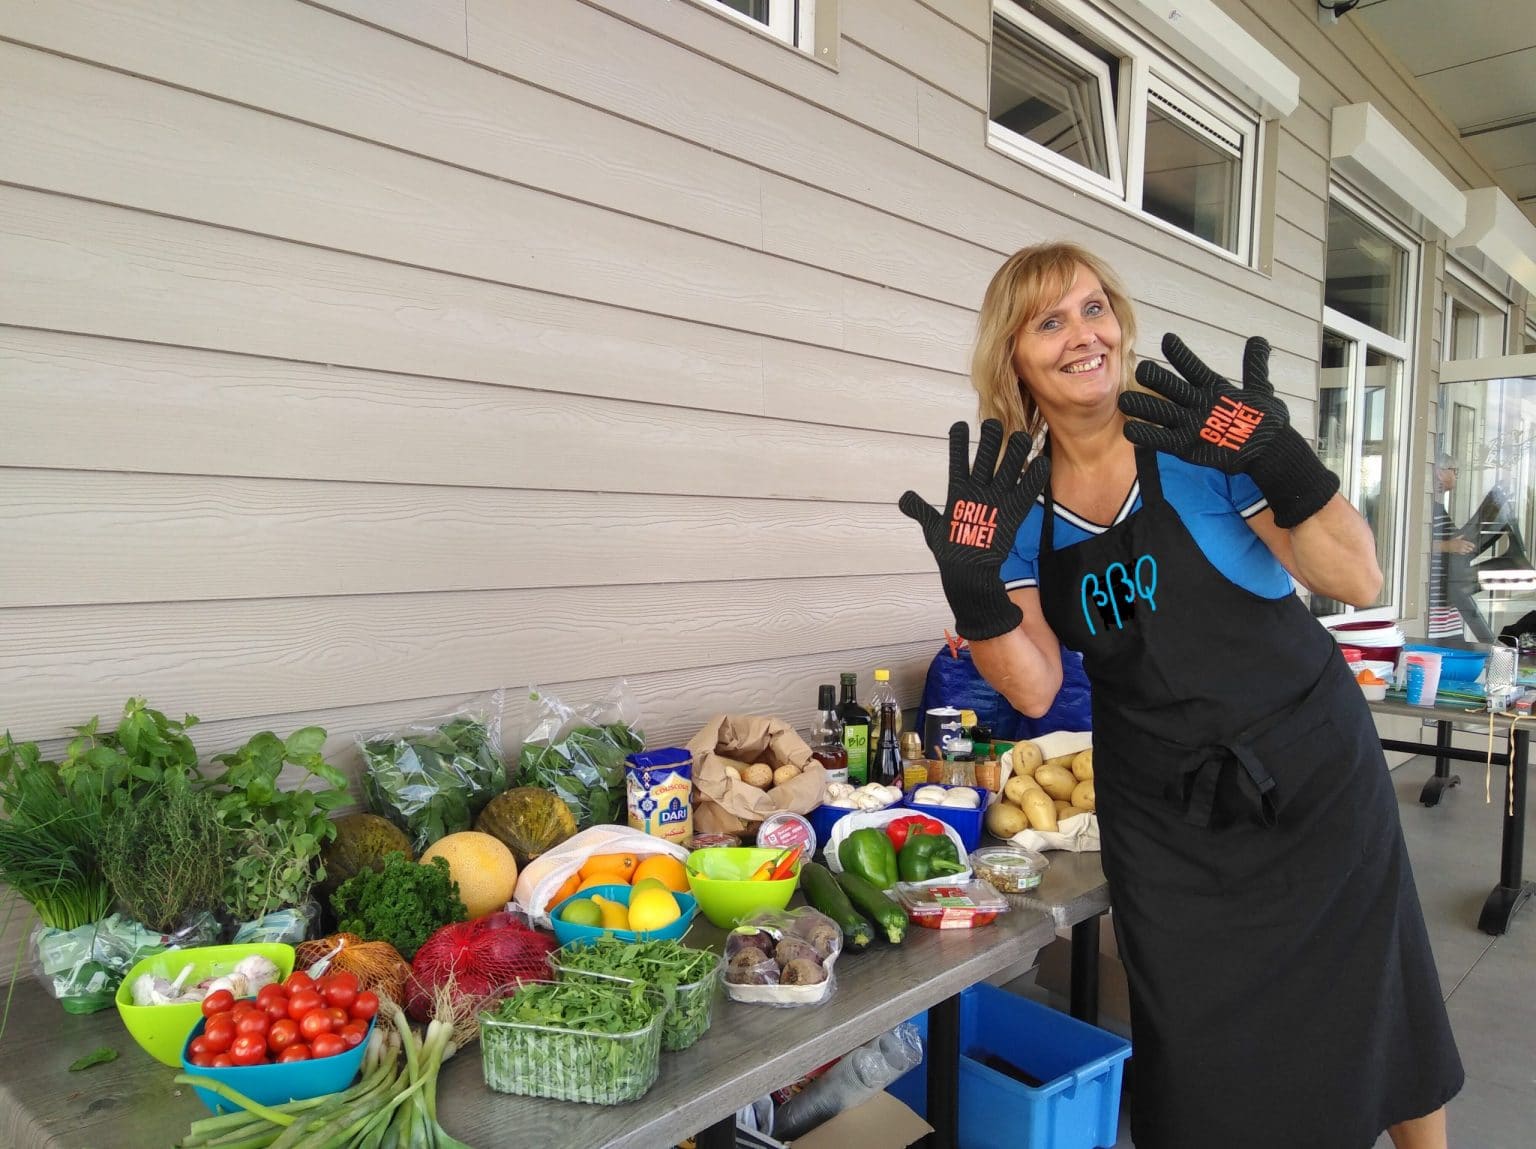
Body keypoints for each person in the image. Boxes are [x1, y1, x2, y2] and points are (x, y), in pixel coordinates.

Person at [899, 242, 1463, 1149]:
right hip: (1166, 818)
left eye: (1094, 308)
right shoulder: (1018, 509)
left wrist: (1282, 460)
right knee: (1202, 1052)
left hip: (1310, 774)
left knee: (1376, 994)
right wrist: (975, 592)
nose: (1083, 335)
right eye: (1049, 322)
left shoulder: (1201, 446)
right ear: (1013, 357)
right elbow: (1035, 685)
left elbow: (1355, 576)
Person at [1428, 454, 1484, 641]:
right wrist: (1448, 546)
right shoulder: (1427, 508)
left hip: (1447, 607)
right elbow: (1416, 545)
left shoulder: (1439, 508)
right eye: (1454, 471)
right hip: (1433, 609)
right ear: (1440, 473)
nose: (1456, 476)